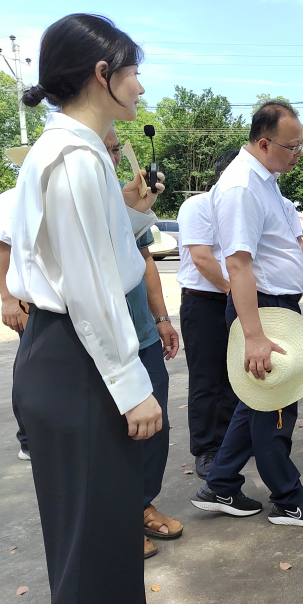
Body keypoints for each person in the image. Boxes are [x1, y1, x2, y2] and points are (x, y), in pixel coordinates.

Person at [10, 13, 170, 604]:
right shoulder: (73, 157)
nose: (139, 87)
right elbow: (87, 287)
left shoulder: (73, 154)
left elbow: (95, 255)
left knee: (101, 536)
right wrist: (132, 384)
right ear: (103, 75)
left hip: (68, 354)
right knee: (92, 543)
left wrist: (130, 214)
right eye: (134, 73)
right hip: (77, 358)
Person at [192, 101, 303, 529]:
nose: (298, 153)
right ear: (263, 142)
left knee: (255, 403)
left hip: (276, 307)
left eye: (300, 145)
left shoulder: (265, 179)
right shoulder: (241, 186)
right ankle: (288, 498)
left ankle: (219, 484)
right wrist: (254, 336)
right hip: (265, 311)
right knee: (276, 405)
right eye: (293, 146)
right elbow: (237, 265)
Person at [103, 127, 183, 560]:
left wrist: (162, 318)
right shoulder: (73, 201)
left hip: (144, 336)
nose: (115, 157)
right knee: (110, 434)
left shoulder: (126, 202)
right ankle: (115, 520)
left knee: (155, 426)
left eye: (117, 149)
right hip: (100, 340)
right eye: (107, 148)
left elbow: (146, 261)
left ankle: (140, 504)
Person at [177, 149, 240, 479]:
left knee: (235, 376)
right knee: (206, 380)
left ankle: (231, 441)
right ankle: (206, 449)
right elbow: (202, 258)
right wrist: (235, 291)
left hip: (235, 299)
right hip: (204, 302)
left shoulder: (243, 209)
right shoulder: (198, 206)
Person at [0, 183, 30, 460]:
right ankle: (29, 440)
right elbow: (1, 249)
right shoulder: (11, 199)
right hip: (28, 301)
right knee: (32, 367)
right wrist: (7, 299)